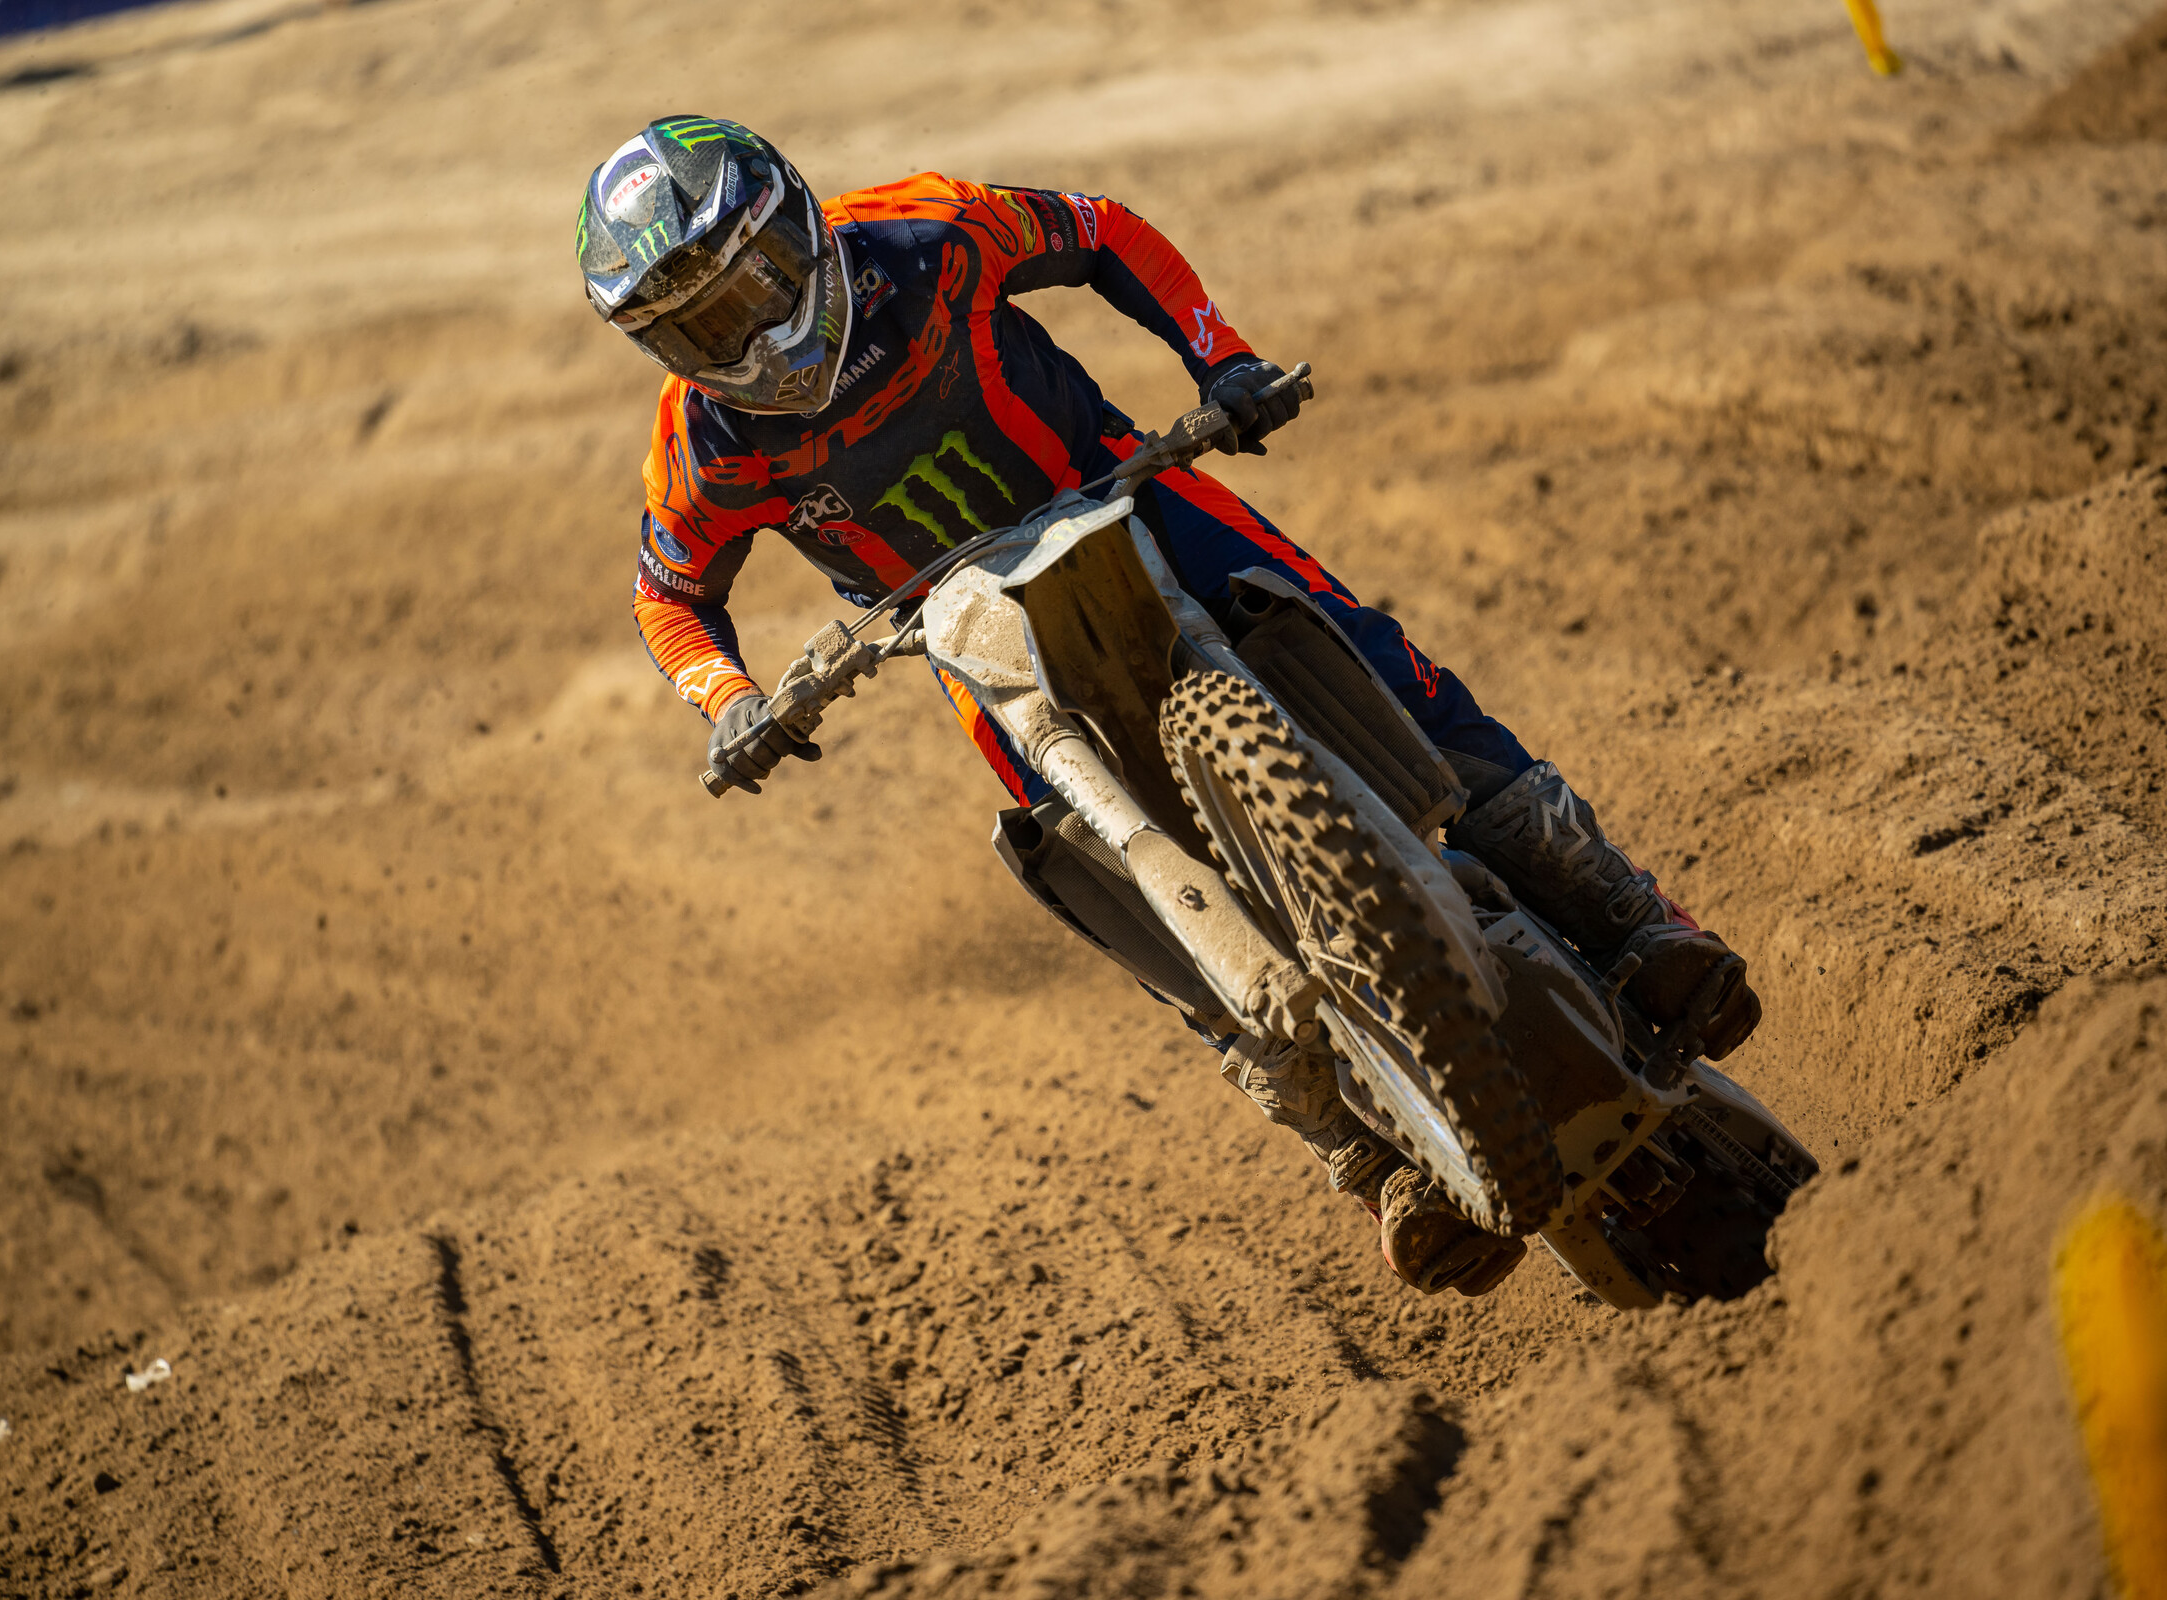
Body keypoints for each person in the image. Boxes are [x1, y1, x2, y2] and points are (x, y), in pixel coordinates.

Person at [579, 116, 1762, 1297]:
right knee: (1091, 867)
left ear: (795, 219)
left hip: (1123, 494)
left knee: (1359, 647)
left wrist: (1221, 361)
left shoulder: (926, 230)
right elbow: (669, 595)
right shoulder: (700, 443)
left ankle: (1621, 909)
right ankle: (1359, 1152)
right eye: (705, 326)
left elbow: (1101, 233)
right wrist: (731, 699)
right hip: (965, 626)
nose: (750, 333)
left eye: (758, 284)